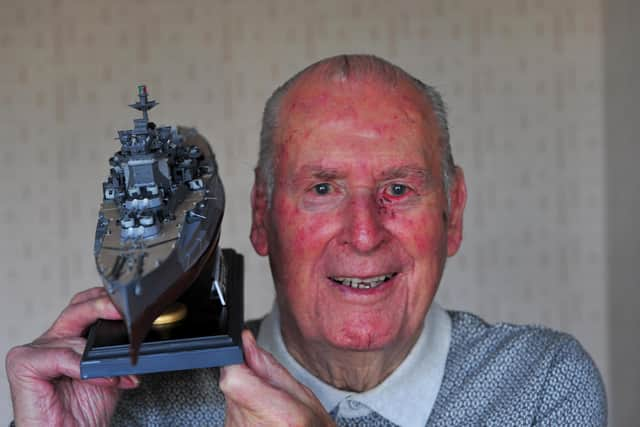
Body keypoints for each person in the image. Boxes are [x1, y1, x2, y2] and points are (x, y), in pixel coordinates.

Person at [6, 55, 607, 426]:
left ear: (454, 212)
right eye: (322, 188)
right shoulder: (138, 403)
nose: (365, 234)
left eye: (399, 188)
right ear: (260, 217)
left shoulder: (542, 386)